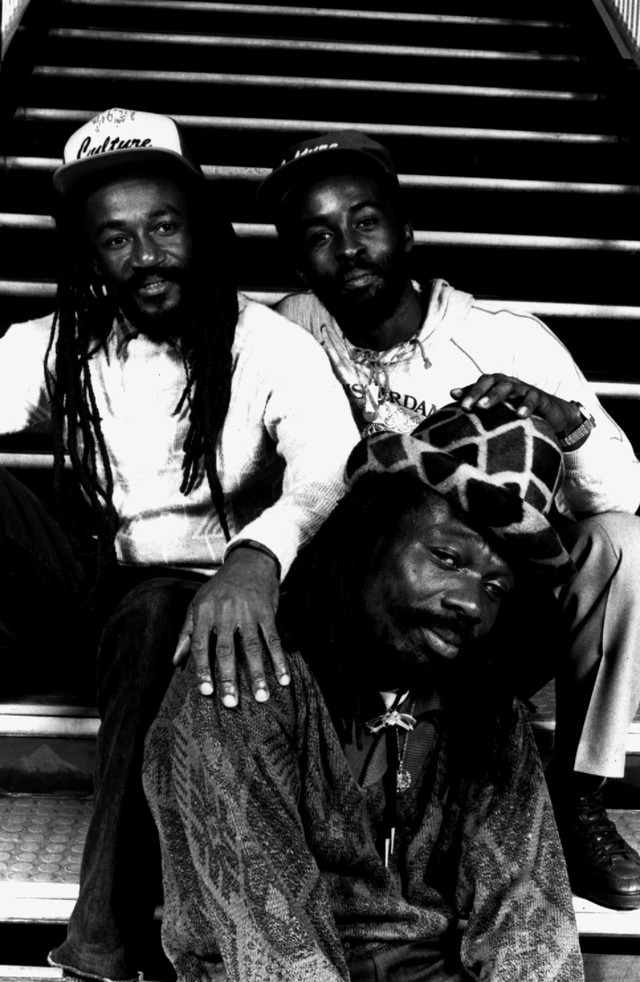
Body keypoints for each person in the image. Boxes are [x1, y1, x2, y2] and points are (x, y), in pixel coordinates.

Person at [0, 107, 360, 982]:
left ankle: (103, 932)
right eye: (116, 238)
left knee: (160, 609)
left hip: (211, 608)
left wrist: (256, 556)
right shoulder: (57, 344)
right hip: (91, 598)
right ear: (90, 253)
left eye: (163, 226)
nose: (146, 254)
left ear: (198, 227)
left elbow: (329, 469)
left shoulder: (267, 345)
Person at [254, 130, 640, 913]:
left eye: (365, 222)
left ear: (406, 232)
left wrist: (565, 424)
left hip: (486, 613)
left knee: (624, 546)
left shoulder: (503, 337)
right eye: (319, 235)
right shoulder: (281, 334)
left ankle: (578, 796)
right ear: (296, 261)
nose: (348, 248)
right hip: (354, 624)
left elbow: (621, 494)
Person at [143, 401, 585, 982]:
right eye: (446, 557)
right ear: (374, 536)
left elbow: (530, 920)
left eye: (496, 588)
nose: (471, 604)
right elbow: (277, 954)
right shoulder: (244, 681)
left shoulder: (485, 706)